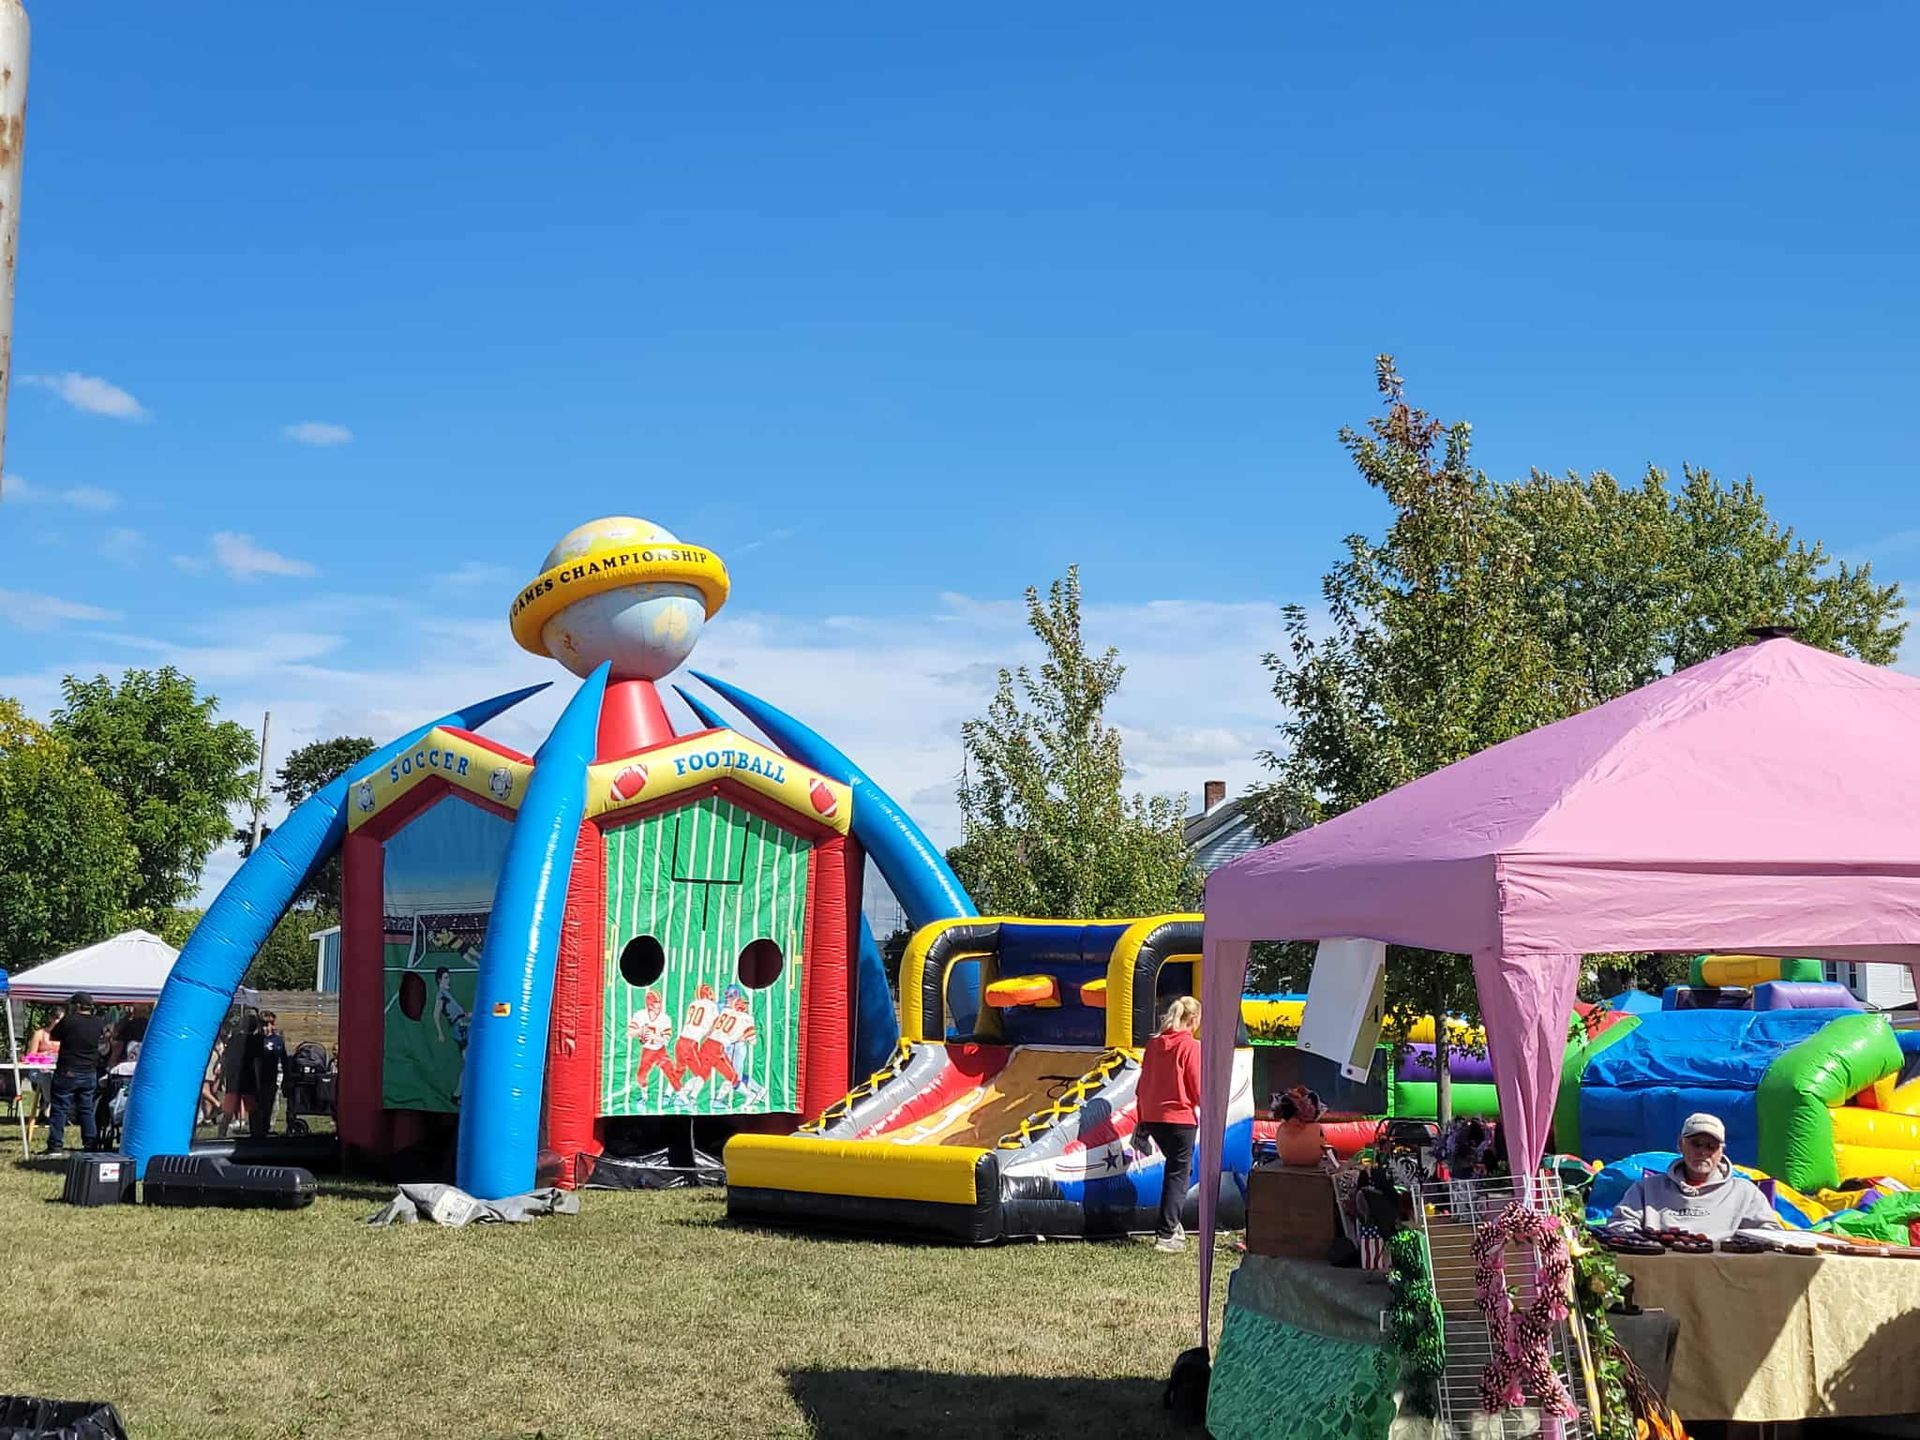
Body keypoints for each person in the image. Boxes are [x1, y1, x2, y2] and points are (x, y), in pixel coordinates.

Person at [1610, 1113, 1782, 1238]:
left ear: (1722, 1151)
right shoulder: (1647, 1188)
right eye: (1696, 1144)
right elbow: (1620, 1226)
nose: (1702, 1152)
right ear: (1680, 1145)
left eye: (1711, 1146)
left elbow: (1769, 1234)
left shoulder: (1745, 1192)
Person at [1136, 995, 1203, 1253]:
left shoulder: (1154, 1045)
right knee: (1178, 1174)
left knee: (1177, 1171)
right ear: (1193, 1019)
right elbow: (1196, 1086)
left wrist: (1142, 1118)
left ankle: (1172, 1225)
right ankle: (1166, 1234)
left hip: (1153, 1117)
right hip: (1180, 1118)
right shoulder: (1190, 1046)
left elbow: (1143, 1084)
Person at [44, 992, 109, 1157]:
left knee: (60, 1107)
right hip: (89, 1072)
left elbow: (53, 1035)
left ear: (78, 1005)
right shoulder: (98, 1023)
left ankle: (55, 1145)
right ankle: (90, 1144)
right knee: (86, 1109)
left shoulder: (69, 1021)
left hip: (68, 1070)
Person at [243, 1010, 288, 1138]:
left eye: (268, 1024)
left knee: (268, 1105)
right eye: (263, 1024)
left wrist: (286, 1078)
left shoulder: (278, 1040)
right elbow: (246, 1061)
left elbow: (284, 1060)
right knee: (255, 1108)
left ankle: (265, 1129)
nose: (265, 1028)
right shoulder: (252, 1040)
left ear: (273, 1025)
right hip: (253, 1080)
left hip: (270, 1079)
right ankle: (255, 1132)